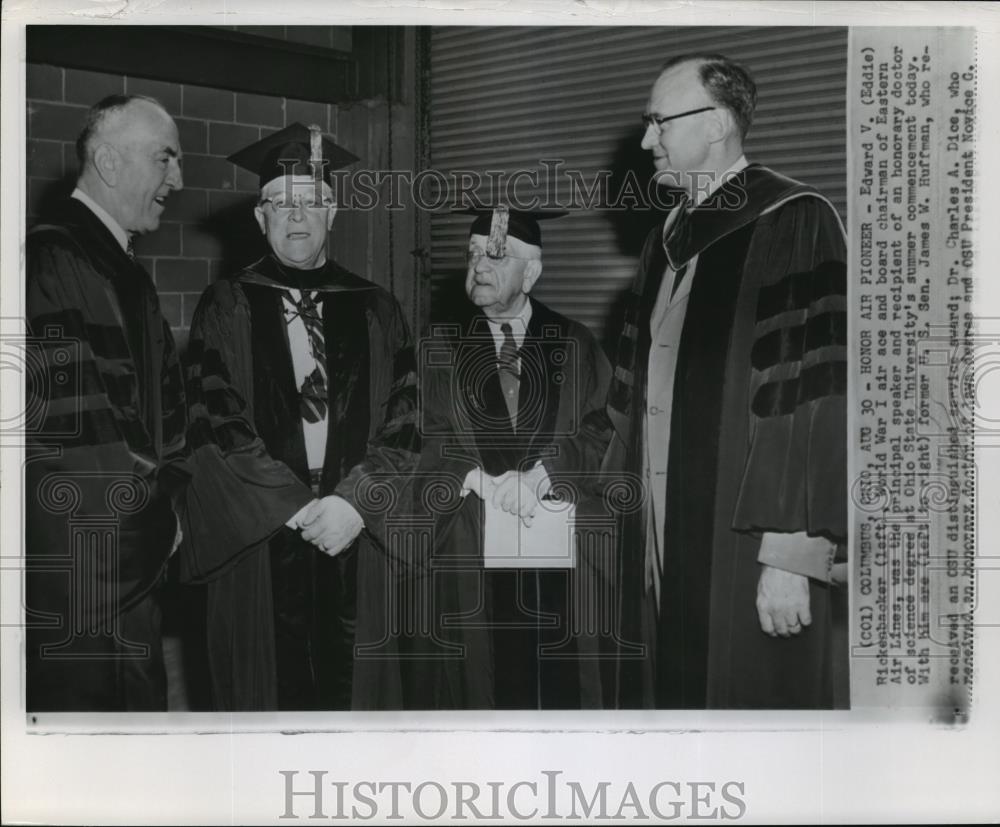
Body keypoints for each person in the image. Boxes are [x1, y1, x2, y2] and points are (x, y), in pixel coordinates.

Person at [606, 54, 848, 709]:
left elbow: (813, 392)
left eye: (659, 122)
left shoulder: (794, 219)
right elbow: (634, 387)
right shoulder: (667, 237)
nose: (646, 140)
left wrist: (792, 553)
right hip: (658, 527)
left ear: (714, 125)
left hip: (744, 535)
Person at [181, 123, 417, 711]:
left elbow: (407, 420)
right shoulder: (228, 304)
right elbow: (216, 416)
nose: (296, 216)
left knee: (353, 695)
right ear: (260, 217)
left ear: (332, 211)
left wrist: (355, 502)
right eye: (280, 203)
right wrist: (293, 504)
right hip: (264, 533)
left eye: (310, 202)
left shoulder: (376, 308)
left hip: (356, 529)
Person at [384, 206, 616, 709]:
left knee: (560, 688)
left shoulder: (574, 341)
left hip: (560, 546)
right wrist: (476, 478)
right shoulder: (438, 346)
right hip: (469, 544)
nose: (480, 267)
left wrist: (546, 471)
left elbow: (605, 426)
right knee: (478, 688)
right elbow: (410, 435)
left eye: (497, 255)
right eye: (472, 255)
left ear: (532, 272)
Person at [25, 94, 187, 711]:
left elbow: (159, 411)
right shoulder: (53, 260)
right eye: (164, 158)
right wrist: (157, 518)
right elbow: (72, 437)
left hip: (124, 565)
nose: (178, 179)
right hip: (86, 567)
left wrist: (170, 501)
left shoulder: (118, 265)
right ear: (110, 163)